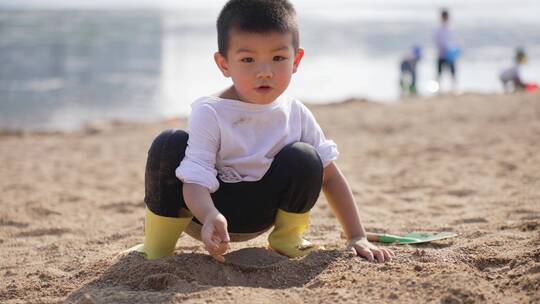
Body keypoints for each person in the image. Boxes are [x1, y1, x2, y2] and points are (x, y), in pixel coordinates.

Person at [127, 0, 394, 263]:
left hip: (261, 213)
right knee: (169, 142)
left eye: (278, 57)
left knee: (306, 156)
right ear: (224, 64)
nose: (264, 72)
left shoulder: (297, 113)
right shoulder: (210, 111)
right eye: (248, 59)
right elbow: (195, 180)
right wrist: (209, 214)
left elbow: (331, 178)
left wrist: (356, 236)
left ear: (296, 59)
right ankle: (157, 245)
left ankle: (287, 239)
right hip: (206, 212)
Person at [434, 9, 459, 91]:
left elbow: (454, 41)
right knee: (439, 73)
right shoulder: (438, 29)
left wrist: (454, 50)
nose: (445, 18)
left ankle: (454, 88)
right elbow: (437, 42)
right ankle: (438, 89)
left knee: (452, 73)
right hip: (441, 54)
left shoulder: (451, 29)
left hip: (450, 54)